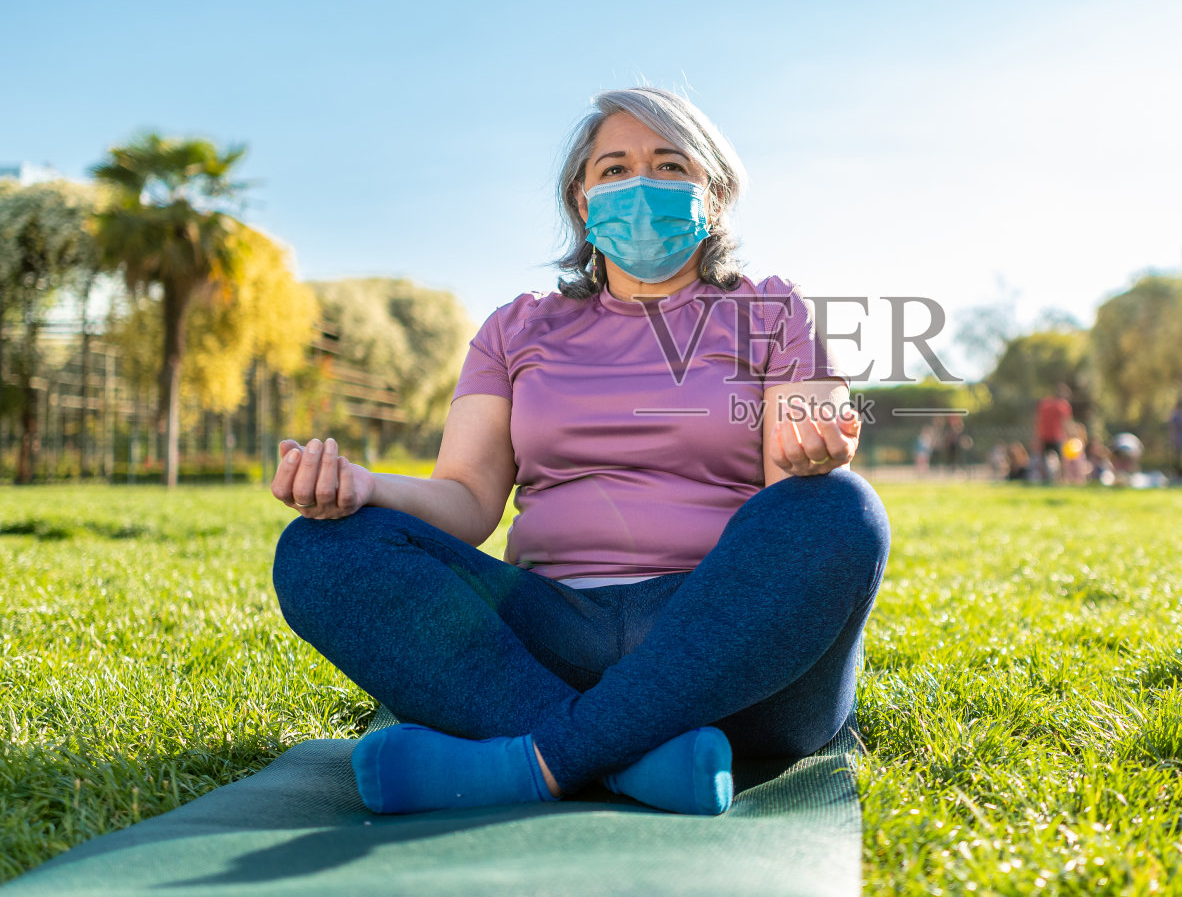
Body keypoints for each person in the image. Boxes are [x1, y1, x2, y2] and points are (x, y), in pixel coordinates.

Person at [268, 88, 890, 818]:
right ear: (580, 197)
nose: (641, 185)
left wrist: (814, 456)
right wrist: (366, 488)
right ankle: (630, 759)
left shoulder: (774, 312)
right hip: (544, 638)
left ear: (715, 194)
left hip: (725, 648)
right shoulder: (515, 329)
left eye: (670, 165)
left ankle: (534, 761)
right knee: (320, 548)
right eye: (615, 168)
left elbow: (797, 484)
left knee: (841, 507)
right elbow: (466, 500)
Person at [1034, 382, 1073, 483]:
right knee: (1062, 459)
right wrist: (1070, 435)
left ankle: (1044, 479)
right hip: (1057, 436)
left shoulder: (1044, 404)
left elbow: (1038, 421)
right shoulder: (1063, 405)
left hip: (1044, 435)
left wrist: (1037, 436)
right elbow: (1066, 422)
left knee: (1043, 459)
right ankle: (1062, 479)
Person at [1168, 397, 1182, 476]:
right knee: (1177, 456)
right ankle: (1176, 472)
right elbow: (1173, 428)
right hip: (1178, 438)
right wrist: (1174, 438)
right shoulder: (1176, 415)